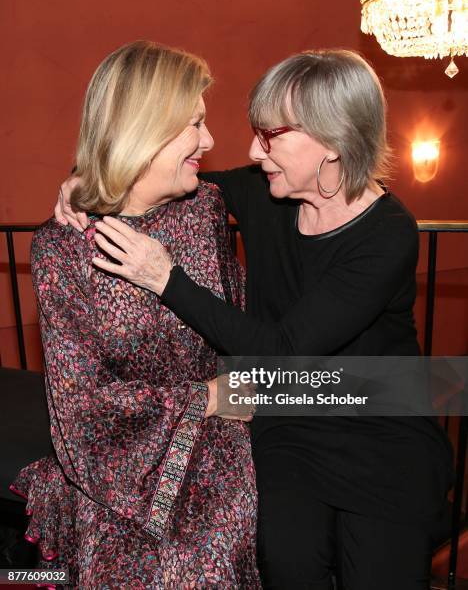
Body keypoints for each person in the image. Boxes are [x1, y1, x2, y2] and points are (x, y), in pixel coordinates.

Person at [56, 50, 454, 590]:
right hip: (287, 414)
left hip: (376, 417)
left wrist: (166, 279)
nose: (251, 150)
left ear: (332, 141)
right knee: (288, 561)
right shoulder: (267, 192)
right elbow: (157, 170)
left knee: (383, 574)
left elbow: (283, 349)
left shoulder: (388, 234)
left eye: (270, 137)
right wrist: (86, 181)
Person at [10, 41, 261, 589]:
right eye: (195, 123)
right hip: (114, 467)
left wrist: (238, 393)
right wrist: (206, 398)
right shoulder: (62, 247)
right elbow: (81, 405)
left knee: (205, 558)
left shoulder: (207, 209)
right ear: (144, 129)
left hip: (223, 444)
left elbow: (236, 326)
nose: (210, 140)